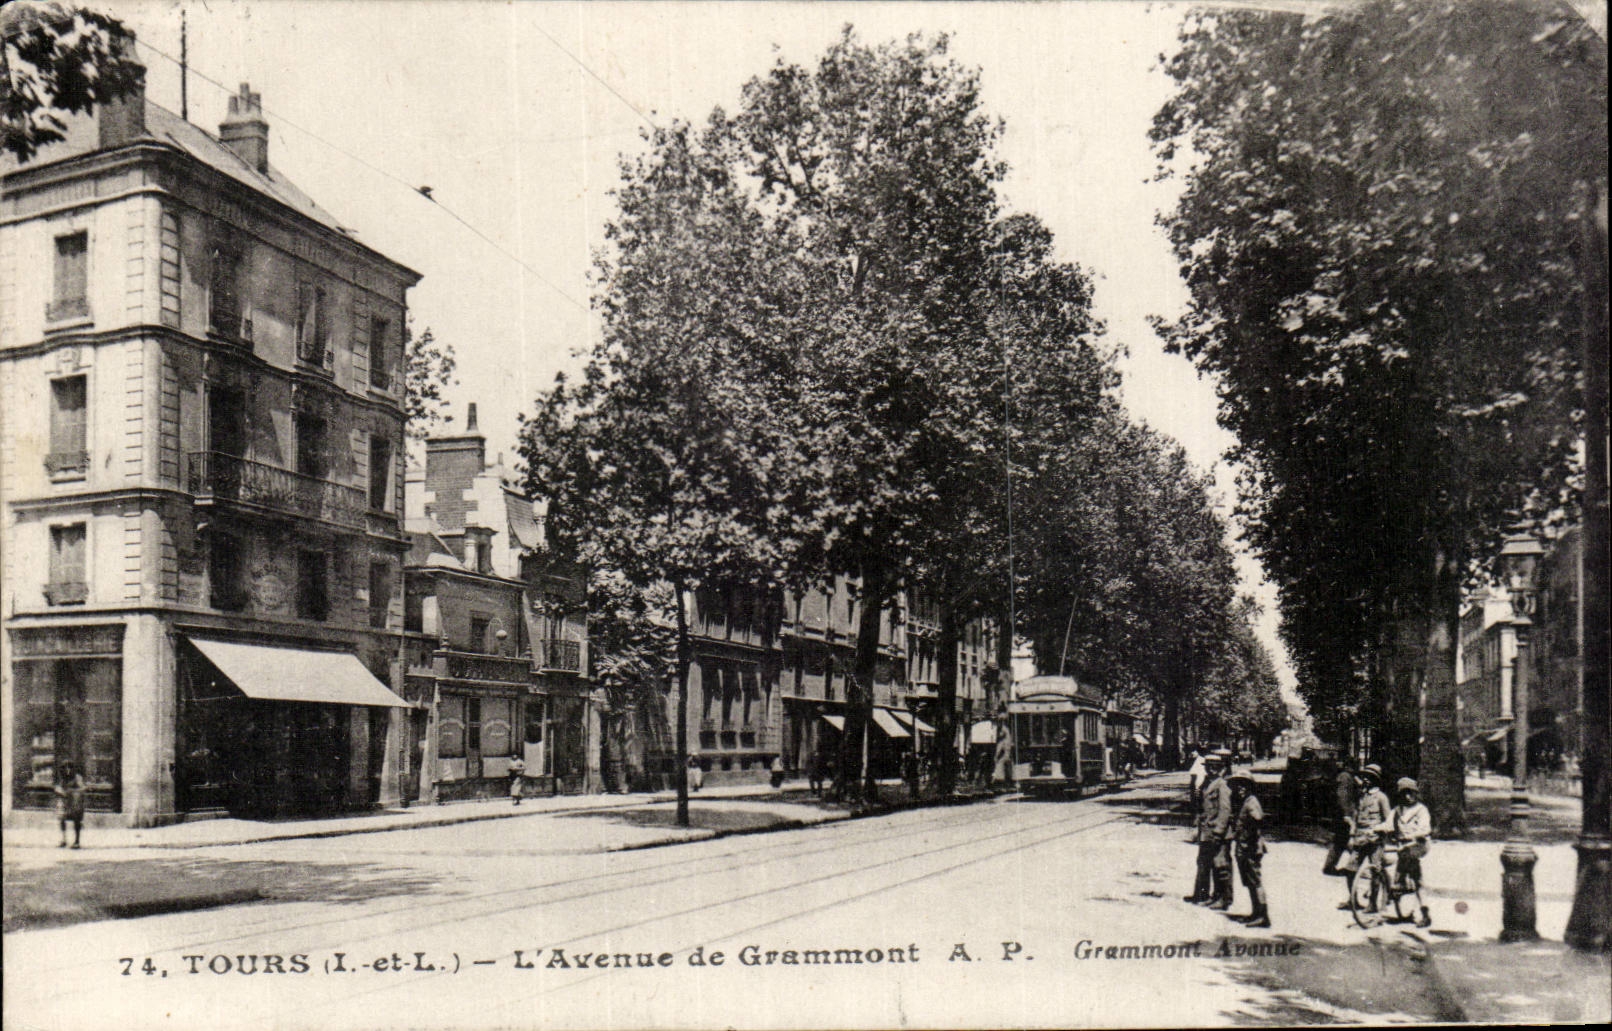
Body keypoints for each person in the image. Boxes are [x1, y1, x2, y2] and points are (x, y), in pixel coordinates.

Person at [1343, 763, 1392, 912]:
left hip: (1375, 840)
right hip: (1360, 838)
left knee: (1375, 871)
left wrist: (1379, 832)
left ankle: (1372, 903)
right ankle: (1353, 900)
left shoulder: (1381, 798)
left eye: (1370, 777)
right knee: (1350, 869)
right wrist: (1352, 836)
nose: (1366, 780)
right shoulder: (1362, 797)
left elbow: (1388, 820)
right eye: (1365, 777)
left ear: (1376, 780)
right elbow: (1356, 818)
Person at [1386, 777, 1432, 928]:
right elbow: (1387, 823)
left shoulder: (1421, 810)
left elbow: (1425, 827)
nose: (1407, 797)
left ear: (1415, 793)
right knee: (1409, 874)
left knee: (1411, 867)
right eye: (1404, 794)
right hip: (1403, 846)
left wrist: (1418, 834)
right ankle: (1406, 906)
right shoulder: (1397, 810)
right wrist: (1378, 829)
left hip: (1418, 845)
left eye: (1410, 793)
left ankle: (1424, 914)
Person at [1185, 751, 1230, 905]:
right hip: (1205, 831)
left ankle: (1220, 897)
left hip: (1216, 831)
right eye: (1209, 766)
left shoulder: (1222, 784)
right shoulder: (1206, 783)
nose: (1212, 769)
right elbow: (1201, 806)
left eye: (1215, 767)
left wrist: (1219, 831)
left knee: (1219, 865)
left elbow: (1225, 810)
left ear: (1220, 768)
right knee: (1203, 863)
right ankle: (1200, 894)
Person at [1228, 769, 1270, 927]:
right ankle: (1256, 912)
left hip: (1250, 848)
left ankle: (1263, 916)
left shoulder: (1251, 801)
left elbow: (1258, 819)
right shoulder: (1244, 801)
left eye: (1243, 785)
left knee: (1255, 881)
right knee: (1250, 882)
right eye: (1238, 785)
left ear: (1249, 787)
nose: (1240, 788)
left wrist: (1252, 838)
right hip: (1244, 847)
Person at [1323, 755, 1359, 876]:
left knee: (1340, 840)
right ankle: (1357, 866)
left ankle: (1329, 866)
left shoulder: (1346, 777)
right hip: (1344, 815)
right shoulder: (1345, 777)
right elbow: (1342, 797)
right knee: (1348, 840)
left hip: (1341, 814)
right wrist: (1347, 814)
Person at [54, 761, 86, 849]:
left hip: (75, 803)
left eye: (69, 767)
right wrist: (59, 790)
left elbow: (82, 788)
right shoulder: (62, 778)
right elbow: (58, 787)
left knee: (76, 821)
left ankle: (77, 841)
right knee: (62, 820)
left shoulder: (77, 778)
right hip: (64, 802)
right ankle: (64, 839)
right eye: (65, 768)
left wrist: (70, 791)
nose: (67, 770)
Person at [1187, 747, 1208, 811]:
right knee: (1194, 794)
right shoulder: (1194, 760)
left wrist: (1197, 785)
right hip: (1194, 780)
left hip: (1198, 780)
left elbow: (1201, 773)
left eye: (1194, 751)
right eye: (1191, 752)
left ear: (1198, 752)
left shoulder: (1201, 760)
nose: (1192, 753)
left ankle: (1198, 807)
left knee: (1198, 794)